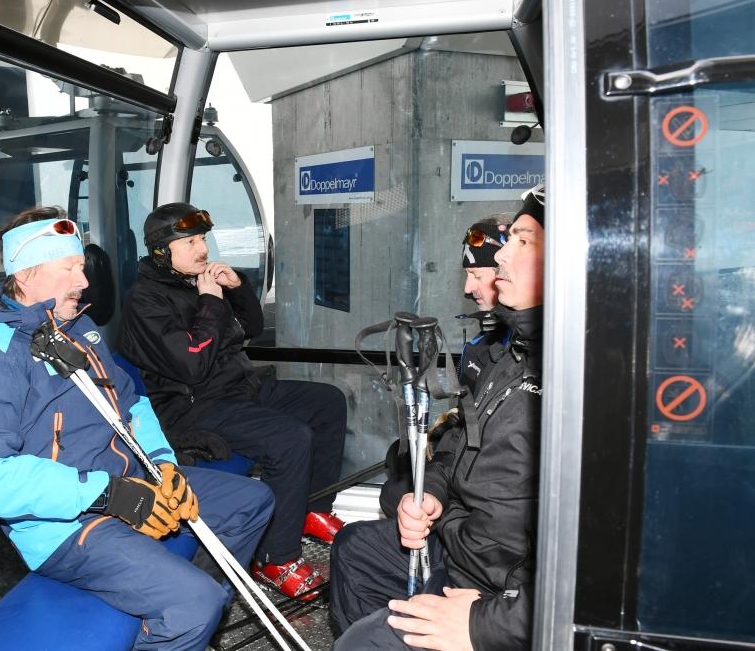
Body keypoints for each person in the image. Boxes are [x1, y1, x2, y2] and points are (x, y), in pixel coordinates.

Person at [0, 206, 274, 651]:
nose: (84, 281)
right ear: (28, 274)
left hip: (130, 481)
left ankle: (190, 633)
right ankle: (186, 621)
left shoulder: (78, 328)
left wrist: (162, 465)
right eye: (70, 268)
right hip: (66, 523)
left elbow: (132, 404)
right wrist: (112, 494)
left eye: (82, 266)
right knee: (191, 604)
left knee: (250, 502)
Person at [330, 185, 545, 650]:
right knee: (357, 549)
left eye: (522, 243)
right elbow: (461, 448)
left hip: (501, 577)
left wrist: (481, 625)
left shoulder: (578, 380)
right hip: (465, 537)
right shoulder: (502, 356)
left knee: (360, 644)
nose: (503, 259)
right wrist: (431, 497)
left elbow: (590, 572)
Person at [120, 202, 348, 599]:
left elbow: (252, 329)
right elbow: (192, 365)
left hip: (239, 388)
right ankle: (277, 558)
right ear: (162, 251)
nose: (202, 249)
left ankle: (311, 507)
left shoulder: (195, 281)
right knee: (290, 438)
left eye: (202, 239)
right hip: (194, 406)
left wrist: (236, 288)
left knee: (328, 402)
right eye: (189, 242)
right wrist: (210, 301)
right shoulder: (145, 301)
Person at [376, 213, 513, 519]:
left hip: (486, 482)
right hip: (462, 458)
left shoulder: (530, 353)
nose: (467, 287)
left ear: (508, 272)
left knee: (396, 493)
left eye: (477, 275)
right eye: (467, 274)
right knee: (399, 459)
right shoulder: (481, 345)